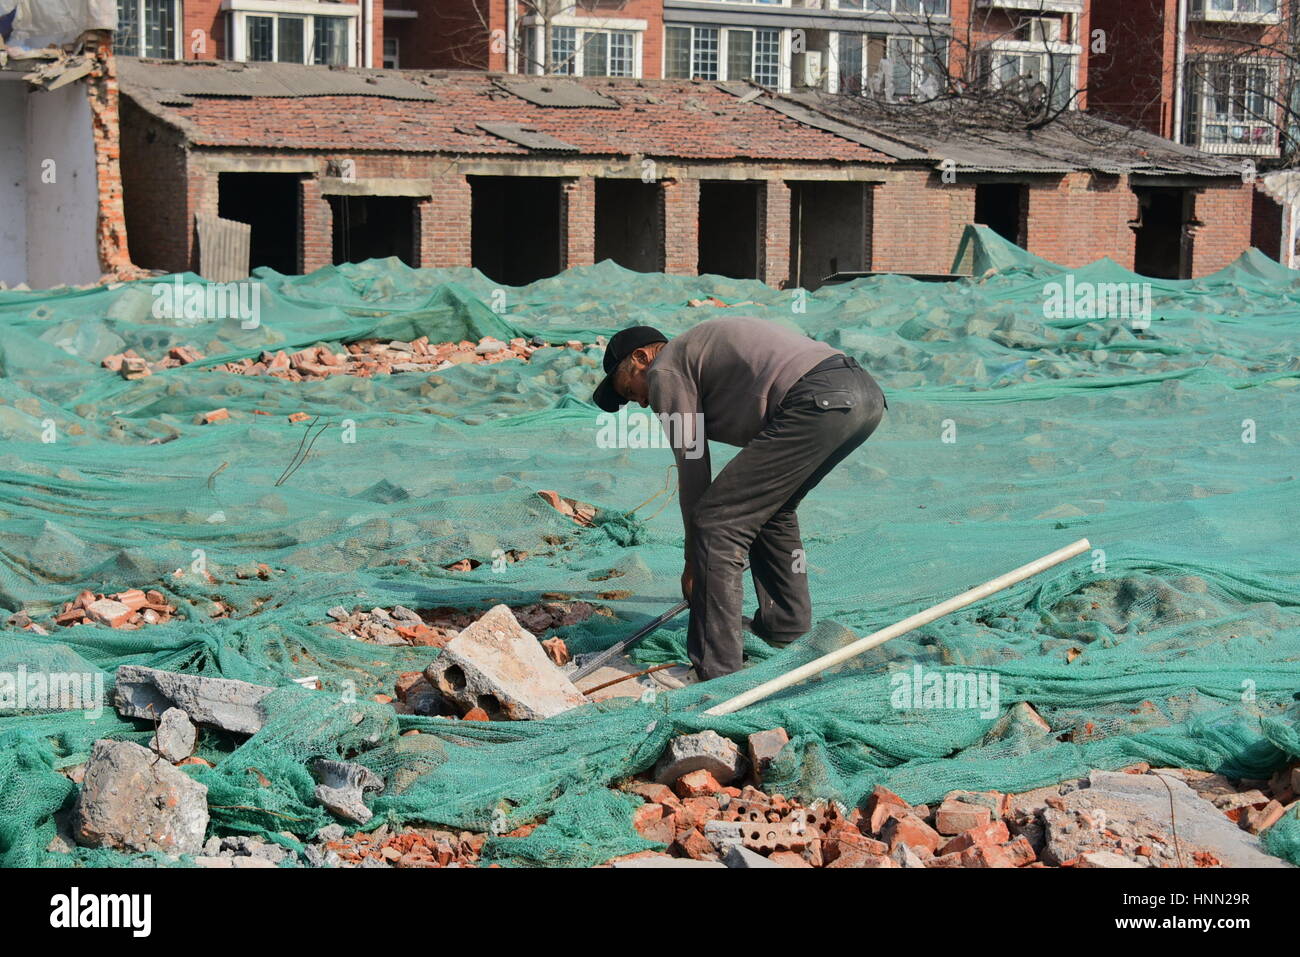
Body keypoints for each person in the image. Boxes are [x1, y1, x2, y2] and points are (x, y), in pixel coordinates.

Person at [592, 316, 887, 680]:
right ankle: (784, 631)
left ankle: (716, 672)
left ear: (640, 358)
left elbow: (693, 461)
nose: (636, 402)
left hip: (818, 399)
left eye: (626, 390)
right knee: (773, 511)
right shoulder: (700, 355)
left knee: (717, 522)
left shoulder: (665, 367)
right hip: (864, 398)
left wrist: (692, 562)